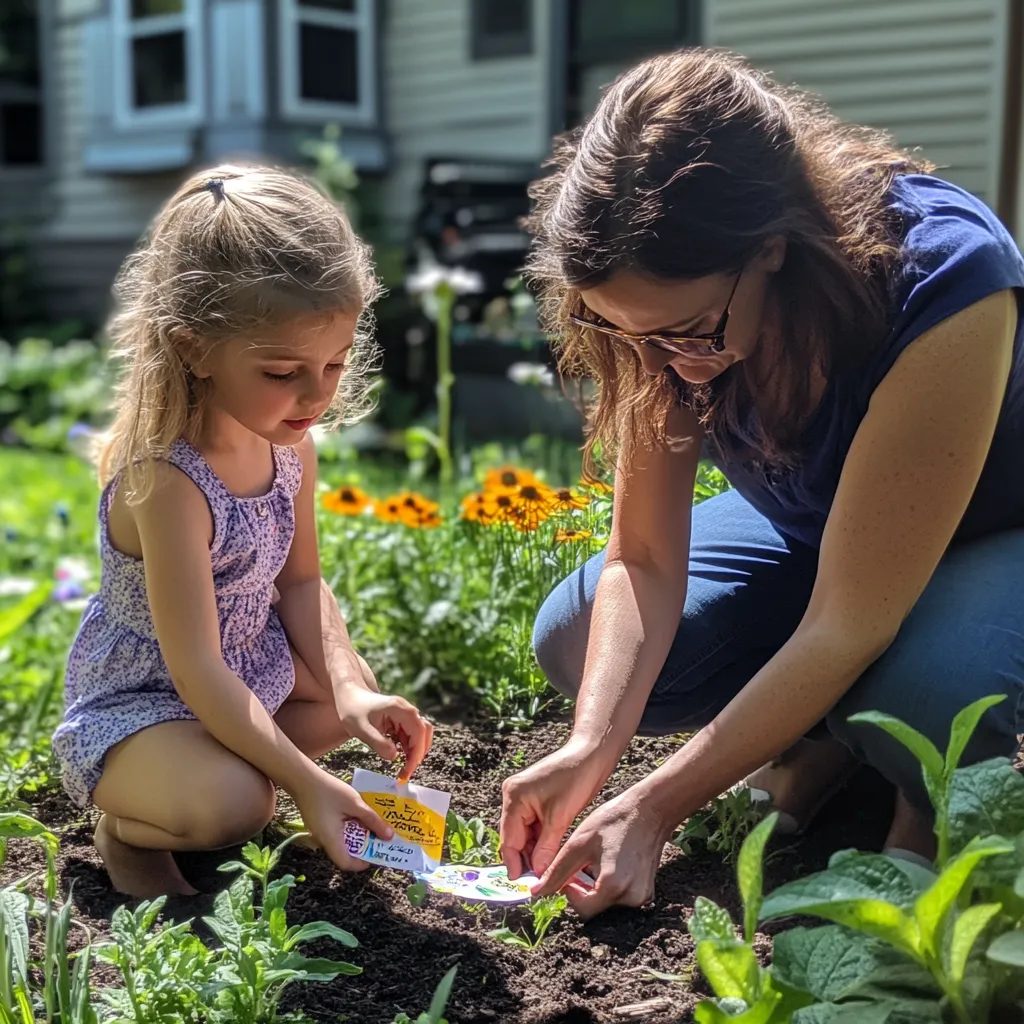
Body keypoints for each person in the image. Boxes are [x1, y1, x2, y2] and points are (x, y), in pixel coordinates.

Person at [499, 48, 1024, 918]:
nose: (661, 363)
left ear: (773, 250)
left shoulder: (946, 277)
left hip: (991, 525)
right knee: (581, 631)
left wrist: (656, 804)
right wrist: (592, 747)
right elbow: (643, 557)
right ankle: (829, 741)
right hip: (822, 527)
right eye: (624, 335)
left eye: (686, 333)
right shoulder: (660, 322)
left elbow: (850, 619)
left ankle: (921, 801)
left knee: (928, 699)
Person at [53, 165, 434, 898]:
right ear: (193, 348)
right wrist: (306, 783)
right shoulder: (167, 480)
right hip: (149, 706)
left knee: (355, 713)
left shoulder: (290, 445)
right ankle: (127, 829)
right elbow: (195, 670)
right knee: (238, 805)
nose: (317, 393)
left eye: (335, 362)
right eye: (283, 370)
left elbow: (301, 582)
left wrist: (351, 691)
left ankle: (254, 772)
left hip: (244, 682)